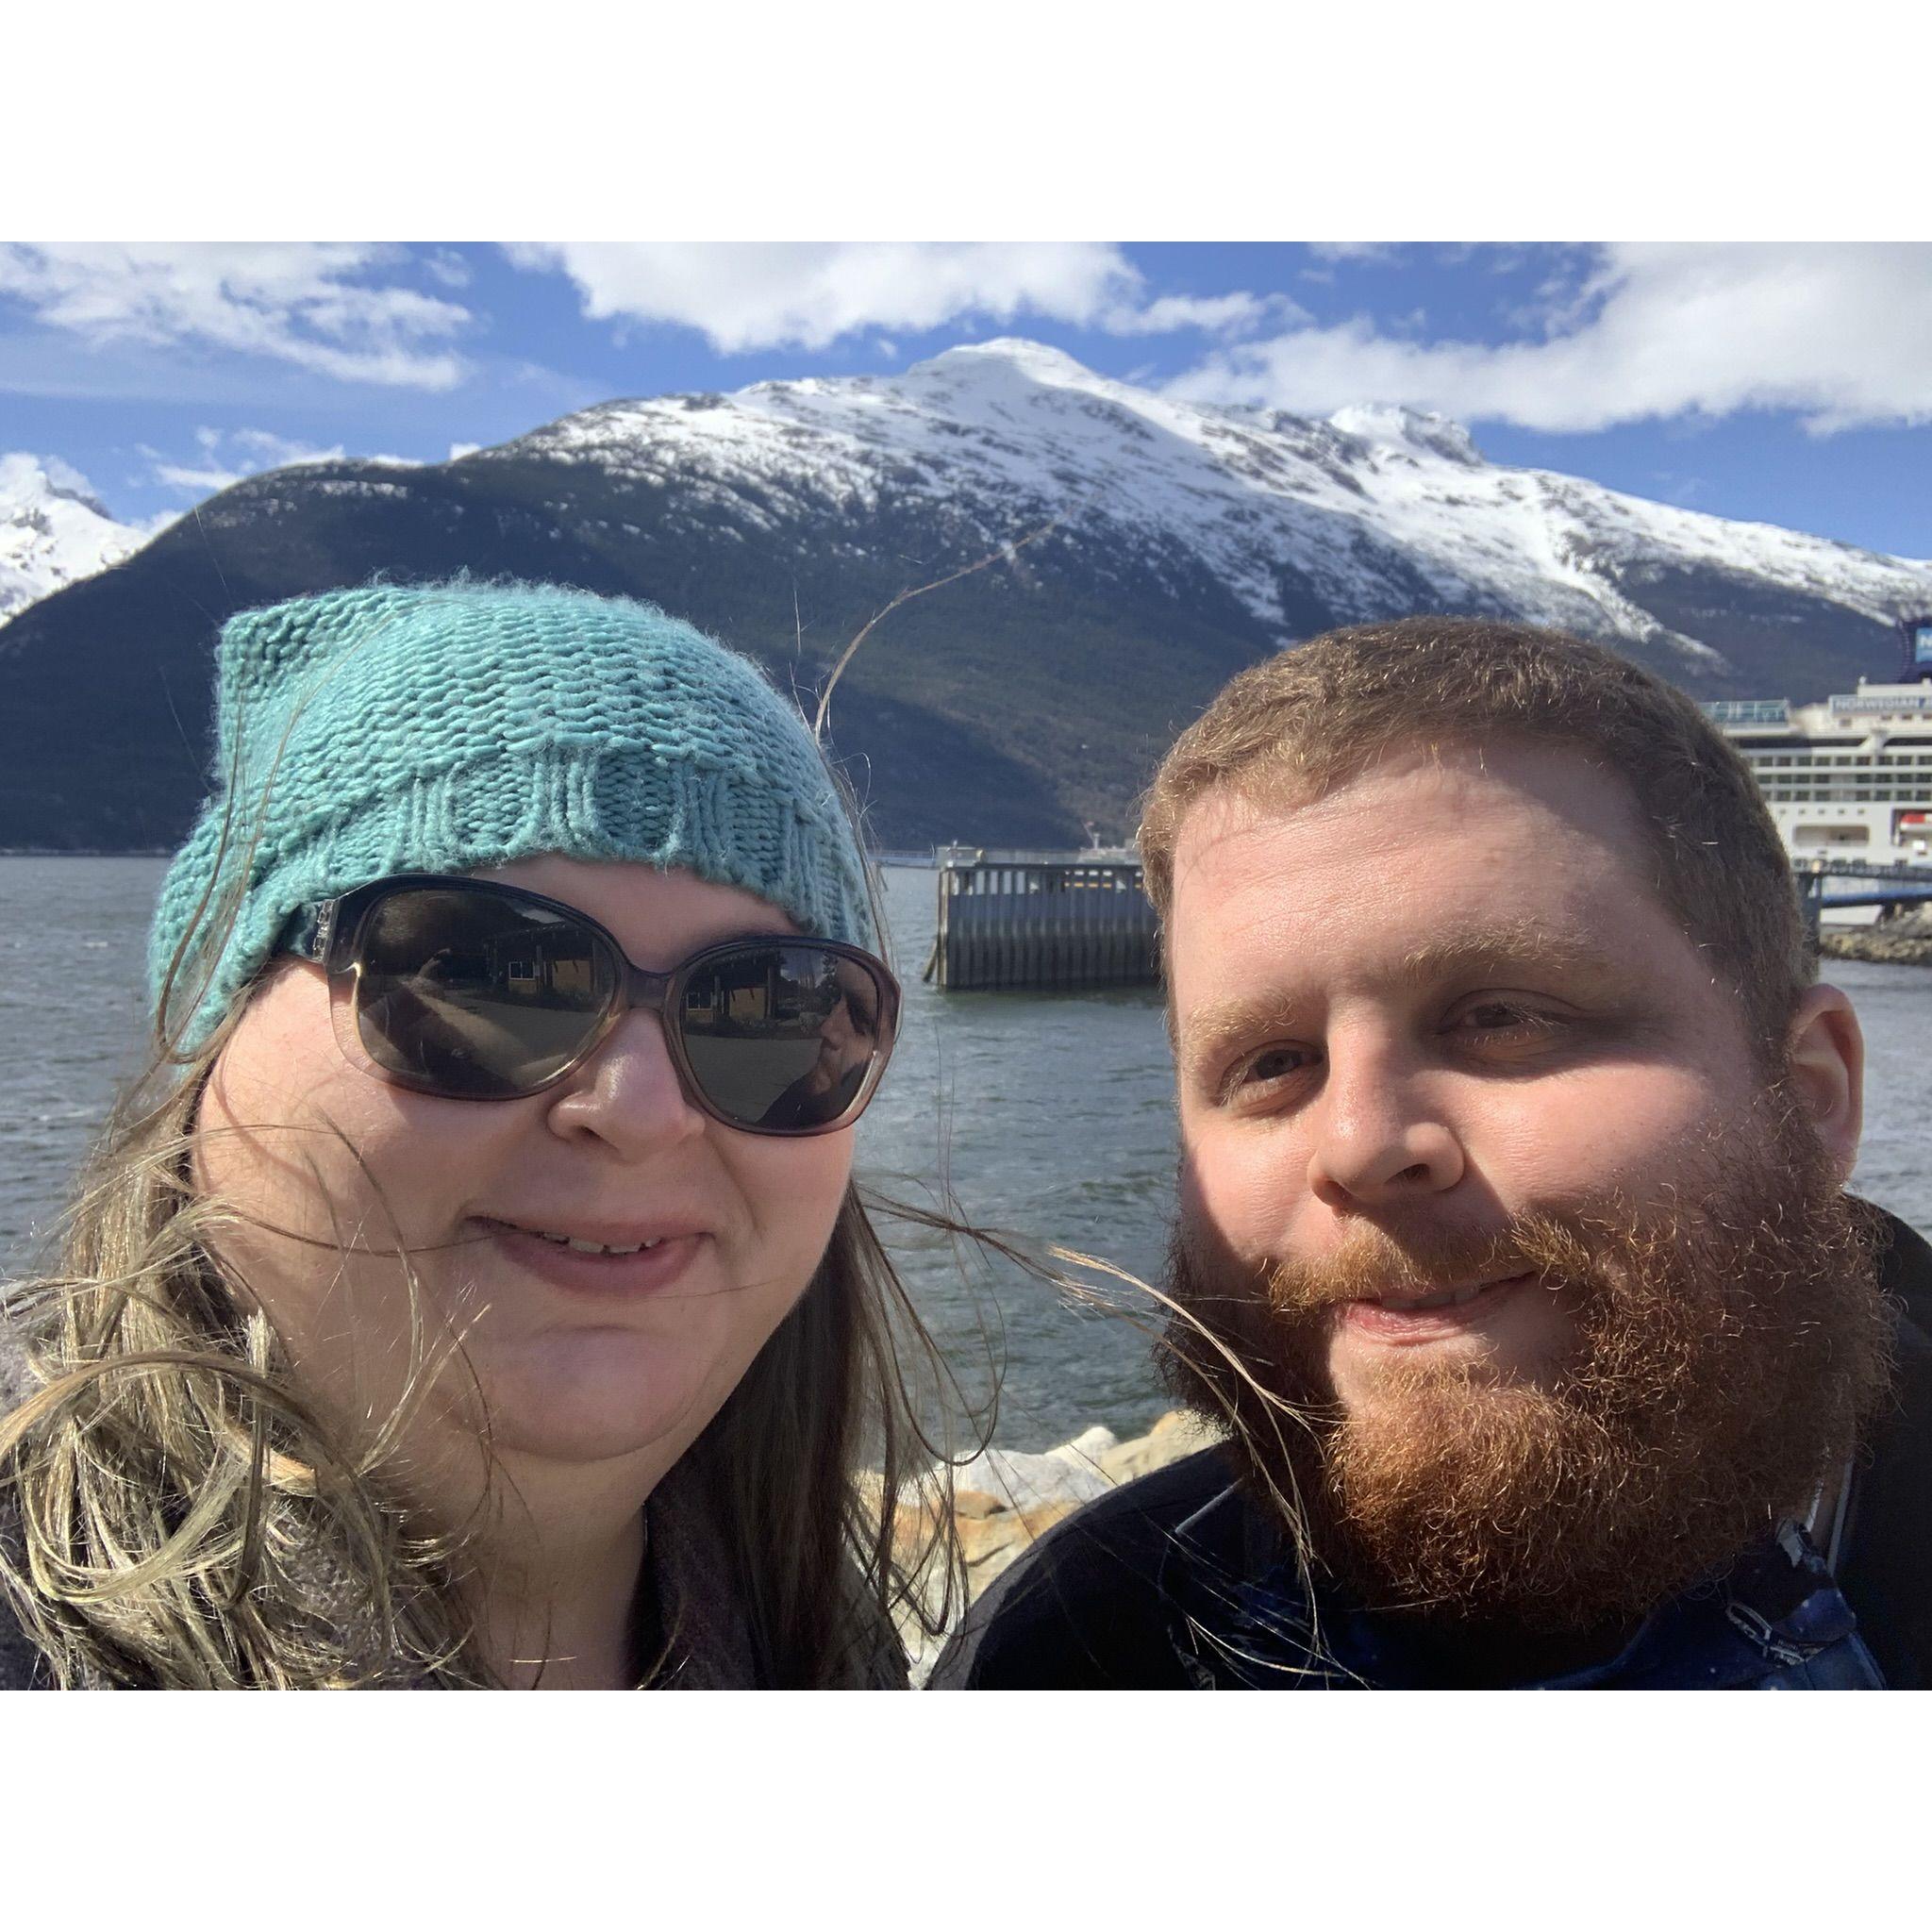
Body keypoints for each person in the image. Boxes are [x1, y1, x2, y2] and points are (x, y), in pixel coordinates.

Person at [935, 616, 1932, 1690]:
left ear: (1809, 1094)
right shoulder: (1065, 1650)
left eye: (1500, 1015)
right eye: (1271, 1062)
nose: (1360, 1145)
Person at [0, 578, 958, 1690]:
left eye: (773, 1004)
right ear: (215, 1024)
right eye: (479, 971)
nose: (640, 1108)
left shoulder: (819, 1632)